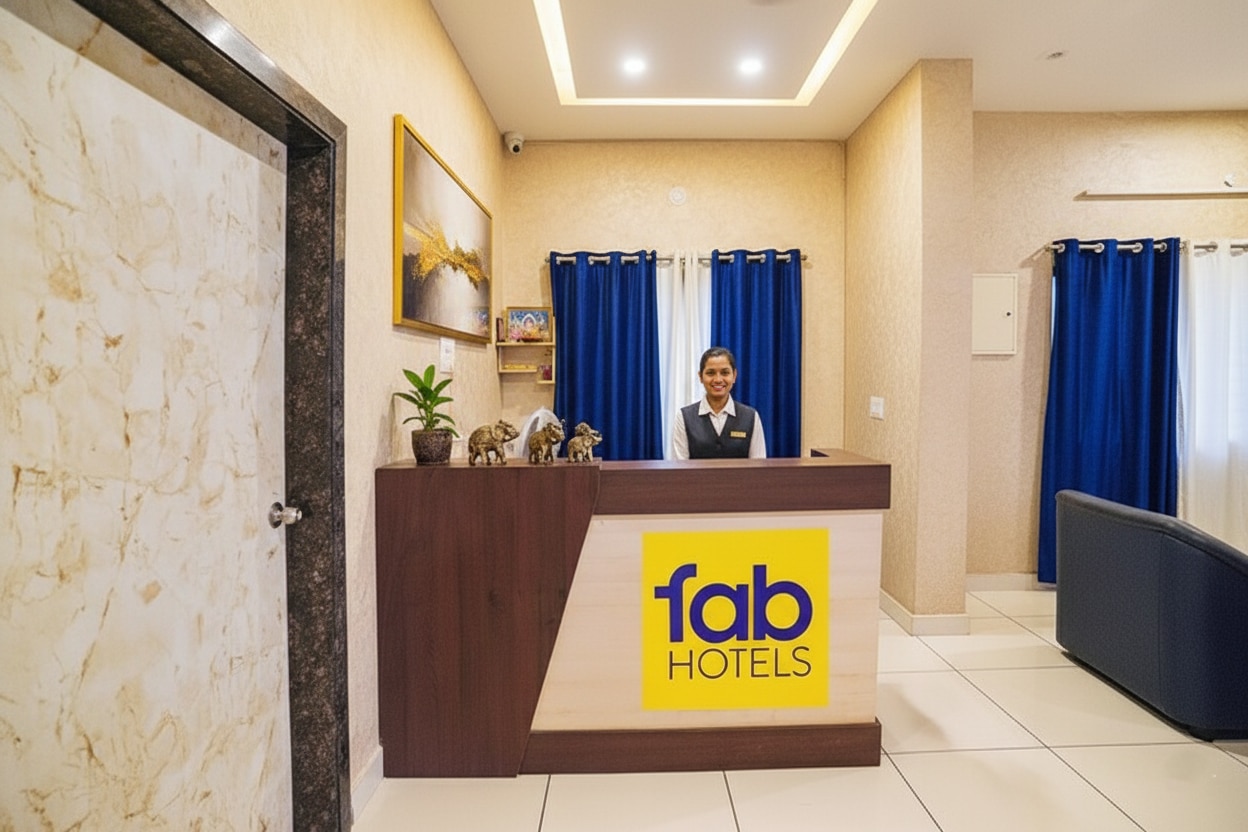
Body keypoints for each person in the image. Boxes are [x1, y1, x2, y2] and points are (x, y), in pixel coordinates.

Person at [672, 347, 767, 459]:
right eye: (710, 373)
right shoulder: (684, 417)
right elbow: (680, 466)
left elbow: (758, 465)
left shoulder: (751, 417)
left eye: (725, 373)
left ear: (734, 376)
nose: (718, 379)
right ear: (700, 377)